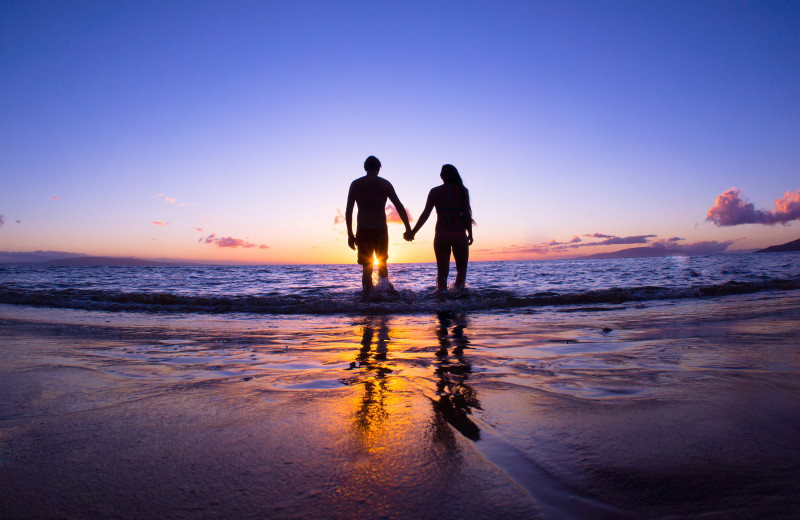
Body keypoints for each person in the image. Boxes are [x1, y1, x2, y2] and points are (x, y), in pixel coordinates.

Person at [346, 155, 412, 294]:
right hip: (380, 230)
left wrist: (350, 235)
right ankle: (385, 299)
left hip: (363, 230)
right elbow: (399, 206)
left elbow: (348, 211)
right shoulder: (385, 184)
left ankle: (367, 299)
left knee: (367, 267)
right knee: (382, 264)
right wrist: (408, 228)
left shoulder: (356, 184)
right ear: (378, 168)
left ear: (365, 168)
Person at [404, 164, 474, 290]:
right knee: (461, 270)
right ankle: (459, 297)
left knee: (442, 273)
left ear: (441, 176)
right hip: (459, 234)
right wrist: (470, 233)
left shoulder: (434, 191)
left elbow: (425, 214)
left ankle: (441, 298)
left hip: (441, 235)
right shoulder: (463, 191)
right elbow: (466, 215)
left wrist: (413, 232)